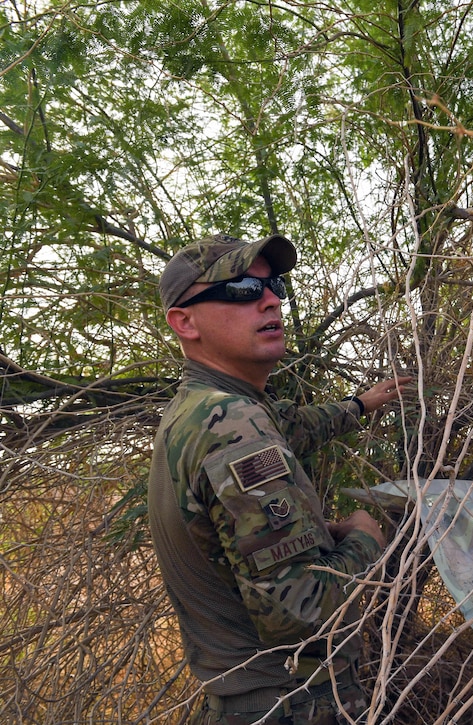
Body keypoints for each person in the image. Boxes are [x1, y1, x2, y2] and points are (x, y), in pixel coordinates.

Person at [148, 233, 412, 725]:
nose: (270, 299)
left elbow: (293, 426)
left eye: (275, 286)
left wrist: (361, 404)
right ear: (185, 322)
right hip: (290, 704)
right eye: (243, 288)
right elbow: (302, 614)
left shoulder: (211, 407)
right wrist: (364, 538)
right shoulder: (230, 425)